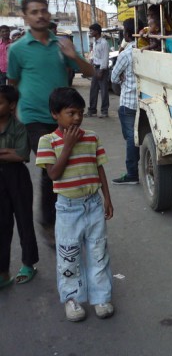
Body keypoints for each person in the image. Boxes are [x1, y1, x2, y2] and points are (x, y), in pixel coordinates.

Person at [7, 0, 94, 248]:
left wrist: (73, 55)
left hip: (63, 117)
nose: (40, 15)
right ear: (25, 16)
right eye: (34, 12)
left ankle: (72, 216)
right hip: (33, 117)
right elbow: (12, 85)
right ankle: (49, 222)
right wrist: (13, 119)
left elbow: (89, 73)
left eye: (43, 11)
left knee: (71, 165)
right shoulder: (17, 50)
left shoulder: (61, 44)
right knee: (51, 168)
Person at [36, 87, 114, 322]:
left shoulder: (91, 137)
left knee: (98, 252)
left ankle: (101, 297)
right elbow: (54, 175)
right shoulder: (47, 141)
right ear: (55, 115)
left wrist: (107, 198)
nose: (77, 118)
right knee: (69, 255)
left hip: (93, 205)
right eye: (71, 113)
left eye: (80, 112)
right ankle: (72, 299)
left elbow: (99, 167)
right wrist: (68, 146)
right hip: (68, 208)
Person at [0, 85, 39, 289]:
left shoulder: (19, 127)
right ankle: (3, 272)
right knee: (2, 224)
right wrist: (7, 151)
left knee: (24, 220)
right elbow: (14, 153)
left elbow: (22, 155)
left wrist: (8, 152)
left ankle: (28, 264)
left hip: (18, 178)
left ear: (12, 106)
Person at [111, 18, 139, 185]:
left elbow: (114, 77)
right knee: (134, 138)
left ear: (127, 35)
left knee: (130, 138)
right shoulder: (153, 50)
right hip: (146, 102)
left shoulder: (126, 54)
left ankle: (132, 174)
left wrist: (123, 77)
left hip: (128, 102)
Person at [86, 23, 110, 118]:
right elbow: (95, 55)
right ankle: (92, 110)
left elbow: (105, 57)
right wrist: (91, 61)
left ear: (97, 31)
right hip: (95, 68)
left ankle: (104, 111)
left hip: (101, 69)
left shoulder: (104, 43)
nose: (90, 32)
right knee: (93, 90)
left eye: (91, 30)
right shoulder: (95, 42)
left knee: (104, 91)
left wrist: (101, 70)